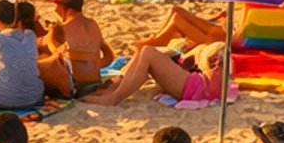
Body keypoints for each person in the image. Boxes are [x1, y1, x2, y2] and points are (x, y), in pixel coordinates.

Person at [97, 38, 229, 108]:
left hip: (195, 86)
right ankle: (115, 88)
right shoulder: (214, 53)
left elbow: (203, 68)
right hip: (197, 82)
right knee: (144, 51)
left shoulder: (211, 52)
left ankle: (114, 98)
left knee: (148, 52)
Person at [49, 0, 110, 92]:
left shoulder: (60, 29)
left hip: (75, 86)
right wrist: (92, 64)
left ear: (63, 6)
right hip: (95, 82)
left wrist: (50, 39)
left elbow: (55, 56)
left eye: (57, 5)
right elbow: (109, 57)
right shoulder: (93, 24)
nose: (55, 9)